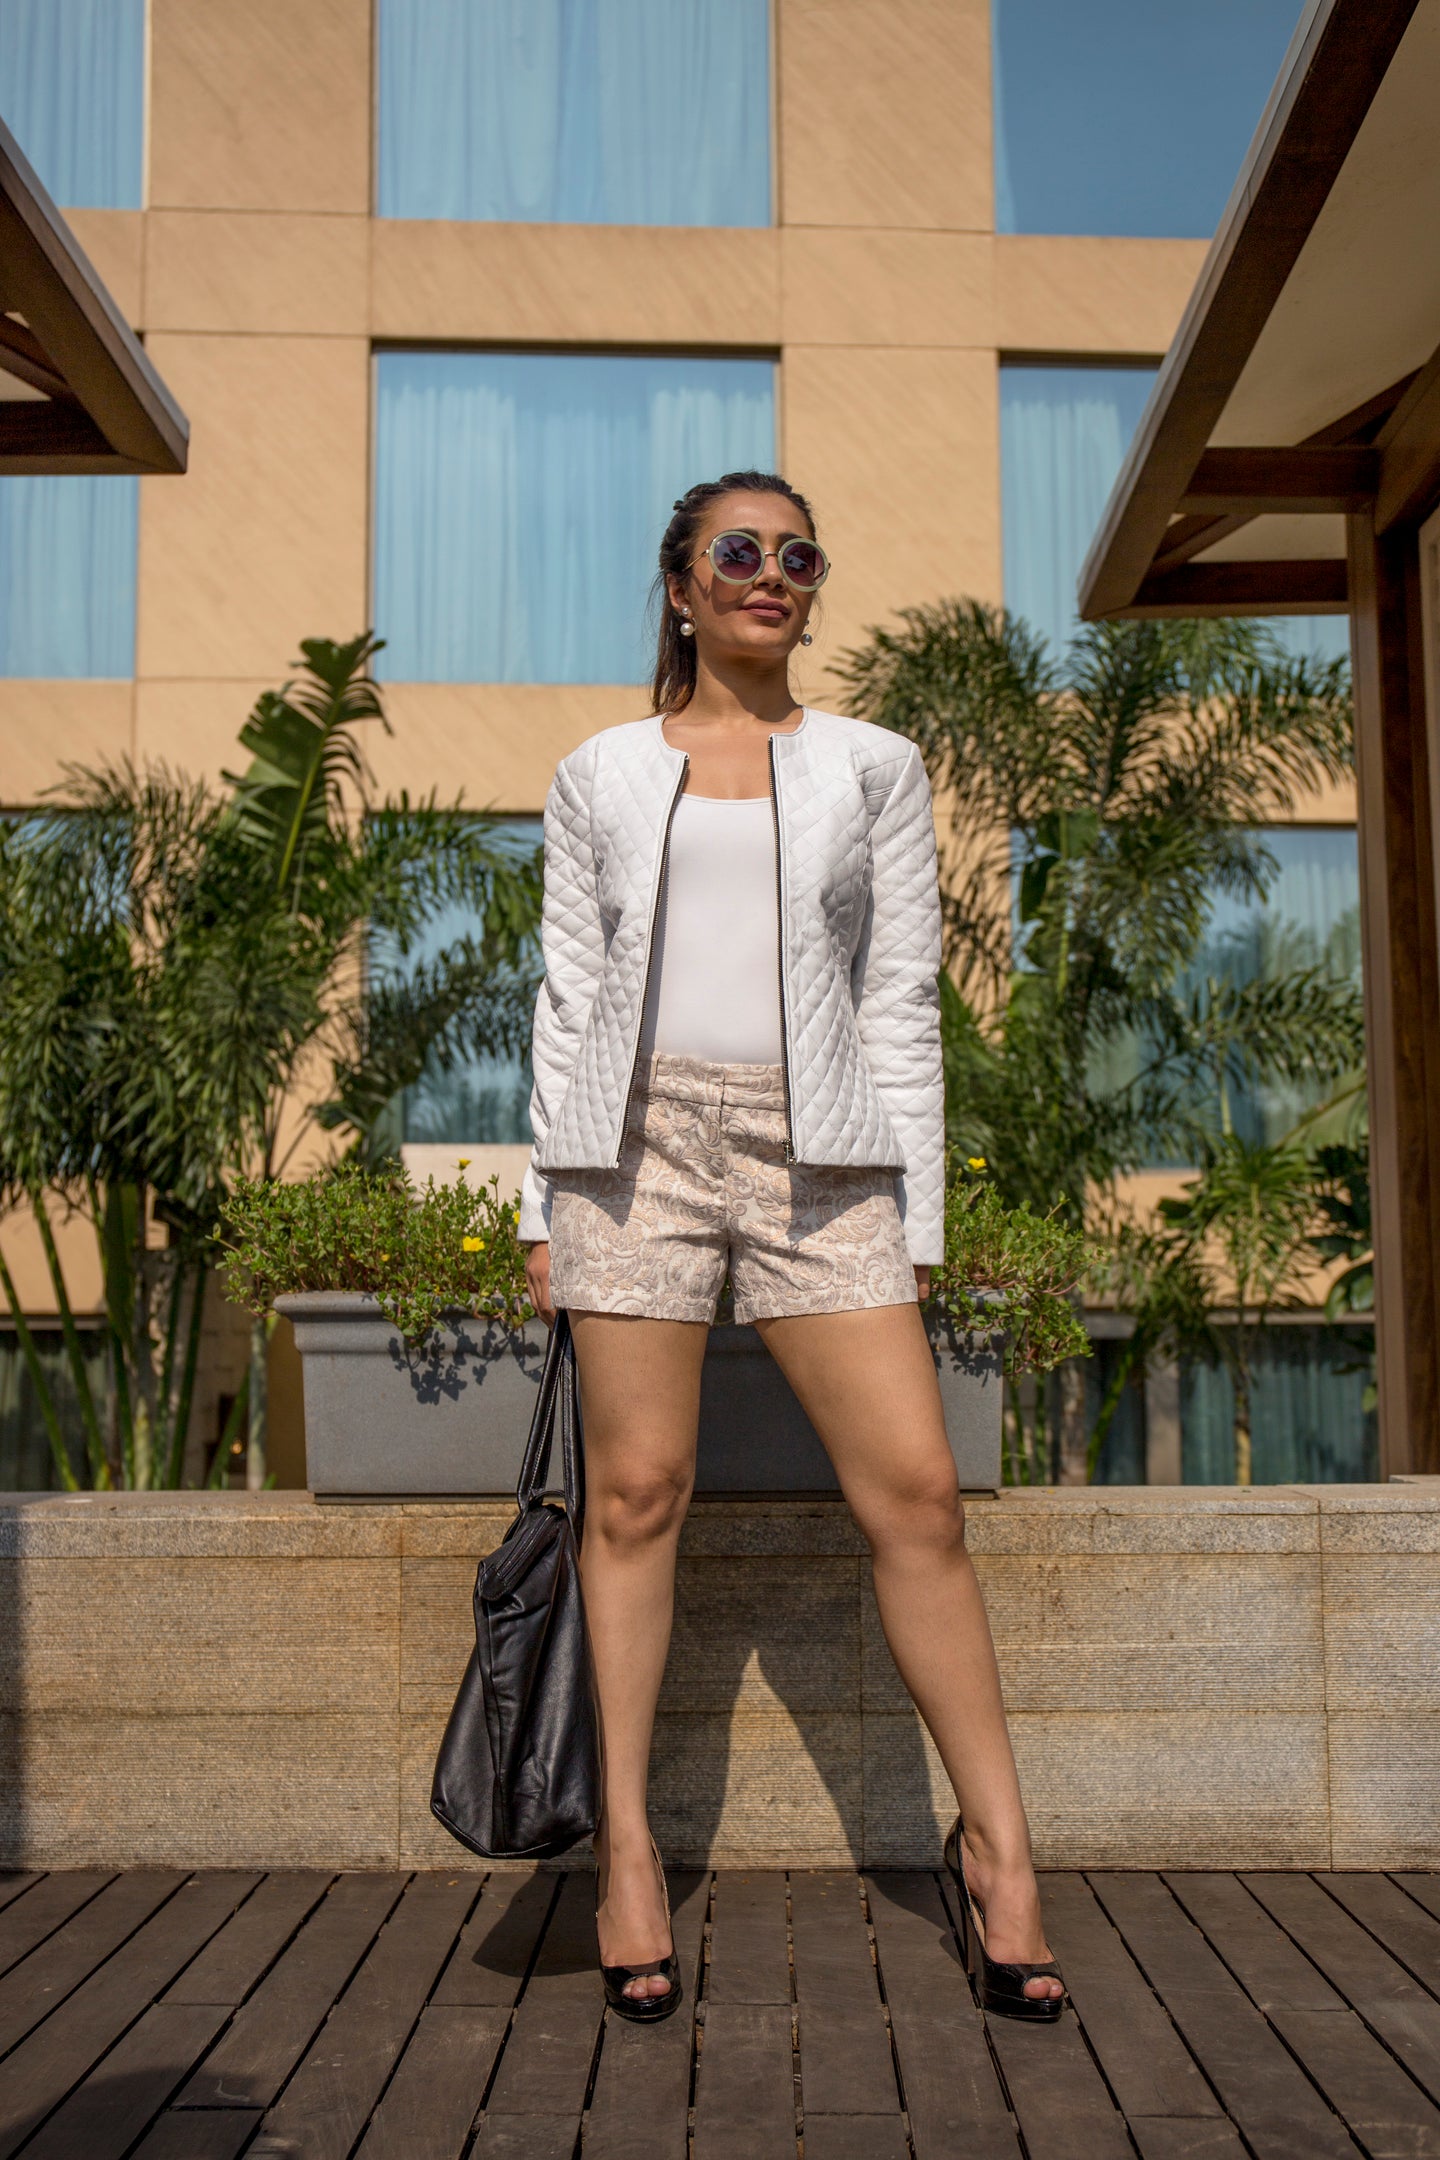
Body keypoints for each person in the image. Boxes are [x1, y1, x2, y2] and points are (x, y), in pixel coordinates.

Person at [517, 469, 1064, 2024]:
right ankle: (626, 1854)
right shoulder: (600, 772)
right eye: (738, 552)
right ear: (682, 586)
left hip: (826, 1151)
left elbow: (900, 999)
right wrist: (541, 1205)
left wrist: (924, 1217)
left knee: (919, 1495)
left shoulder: (874, 766)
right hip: (635, 1150)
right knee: (633, 1495)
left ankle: (1003, 1855)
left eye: (797, 554)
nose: (773, 573)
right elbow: (565, 996)